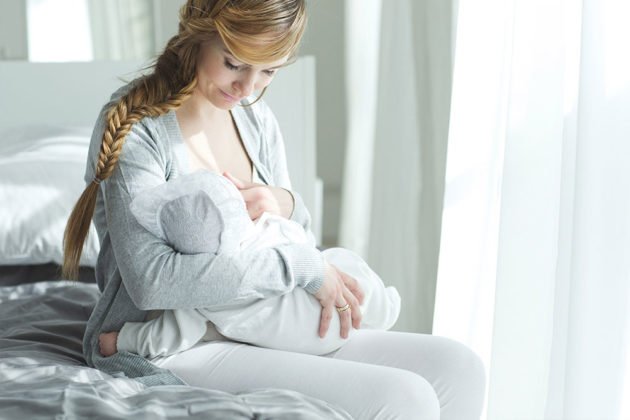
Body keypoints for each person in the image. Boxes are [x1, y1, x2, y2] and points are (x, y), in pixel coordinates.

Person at [63, 1, 486, 418]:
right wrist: (302, 269)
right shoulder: (140, 128)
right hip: (173, 341)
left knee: (459, 368)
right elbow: (152, 284)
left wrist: (286, 202)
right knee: (404, 396)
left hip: (260, 320)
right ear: (198, 34)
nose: (246, 88)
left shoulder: (255, 120)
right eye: (233, 63)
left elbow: (292, 235)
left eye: (268, 71)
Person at [97, 170, 401, 358]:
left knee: (447, 361)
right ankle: (386, 305)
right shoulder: (264, 230)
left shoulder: (196, 296)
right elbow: (303, 241)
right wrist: (307, 263)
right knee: (345, 266)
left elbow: (167, 336)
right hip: (325, 312)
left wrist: (122, 340)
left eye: (267, 72)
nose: (248, 86)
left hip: (308, 339)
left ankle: (381, 305)